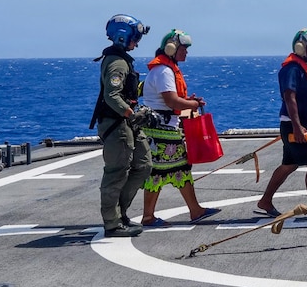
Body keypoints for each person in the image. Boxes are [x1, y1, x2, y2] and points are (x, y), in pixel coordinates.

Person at [140, 29, 220, 226]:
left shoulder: (165, 69)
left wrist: (187, 101)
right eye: (183, 48)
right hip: (162, 131)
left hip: (163, 129)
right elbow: (172, 101)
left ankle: (194, 210)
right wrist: (192, 104)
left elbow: (172, 100)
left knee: (175, 170)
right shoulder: (164, 71)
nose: (186, 52)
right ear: (171, 48)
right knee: (163, 172)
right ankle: (150, 216)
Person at [256, 28, 307, 220]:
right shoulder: (291, 69)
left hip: (296, 126)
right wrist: (298, 127)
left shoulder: (303, 67)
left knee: (289, 165)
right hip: (294, 127)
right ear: (301, 47)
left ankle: (265, 201)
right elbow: (289, 98)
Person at [91, 14, 152, 237]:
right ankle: (112, 223)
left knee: (143, 165)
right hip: (117, 124)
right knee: (116, 173)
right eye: (135, 38)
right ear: (122, 37)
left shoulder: (122, 60)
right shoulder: (117, 62)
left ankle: (120, 213)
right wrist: (130, 113)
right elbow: (112, 95)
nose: (137, 42)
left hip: (127, 123)